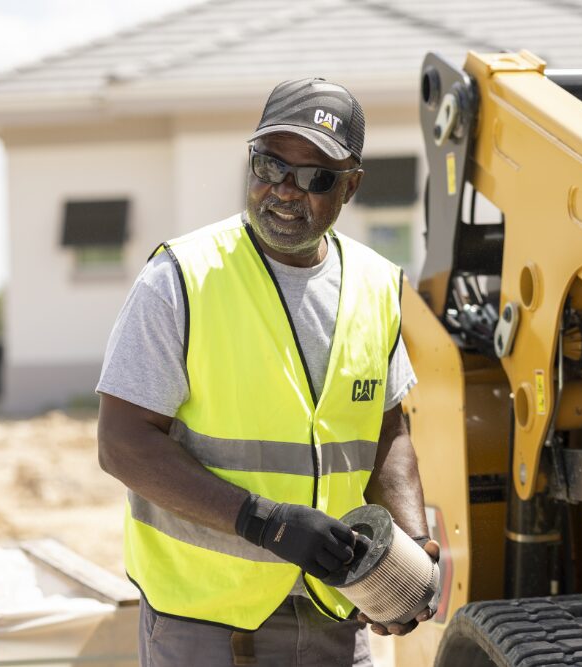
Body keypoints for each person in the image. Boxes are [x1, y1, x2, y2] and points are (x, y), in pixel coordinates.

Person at [96, 77, 437, 667]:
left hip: (335, 611)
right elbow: (122, 443)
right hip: (206, 624)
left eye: (314, 177)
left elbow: (388, 430)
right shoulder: (181, 278)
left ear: (351, 186)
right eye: (269, 165)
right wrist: (266, 523)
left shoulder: (377, 286)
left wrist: (408, 541)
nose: (284, 190)